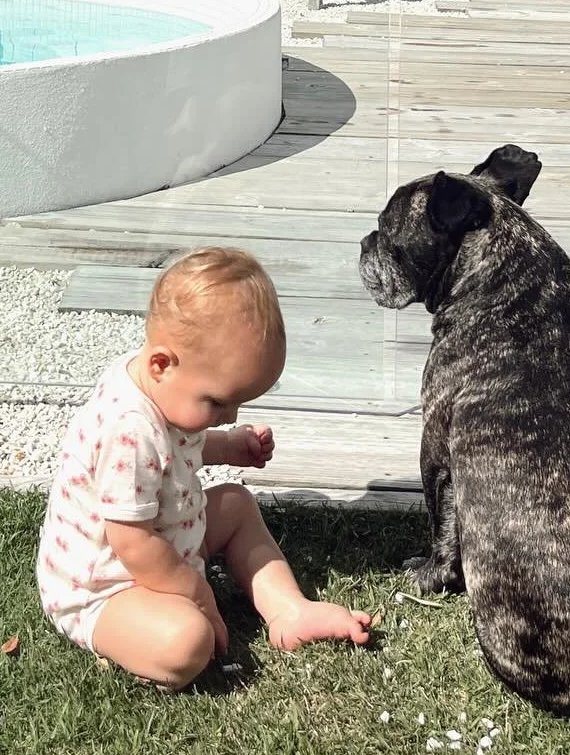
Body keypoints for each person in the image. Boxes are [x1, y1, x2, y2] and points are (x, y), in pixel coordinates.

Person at [37, 246, 374, 688]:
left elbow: (180, 448)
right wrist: (195, 591)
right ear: (161, 364)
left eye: (237, 404)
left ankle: (288, 609)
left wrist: (229, 447)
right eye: (218, 402)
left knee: (234, 502)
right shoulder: (129, 429)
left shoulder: (165, 387)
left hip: (167, 539)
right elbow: (132, 542)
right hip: (105, 583)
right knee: (186, 641)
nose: (230, 415)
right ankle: (139, 640)